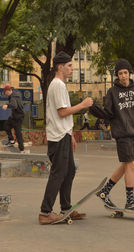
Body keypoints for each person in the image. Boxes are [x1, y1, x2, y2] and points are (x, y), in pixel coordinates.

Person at [39, 51, 93, 224]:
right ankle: (45, 212)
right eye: (69, 66)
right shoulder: (57, 85)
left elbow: (62, 114)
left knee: (69, 171)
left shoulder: (59, 85)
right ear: (60, 67)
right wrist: (83, 105)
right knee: (59, 173)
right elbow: (62, 112)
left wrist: (70, 135)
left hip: (63, 135)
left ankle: (66, 208)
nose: (72, 69)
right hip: (58, 137)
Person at [89, 58, 134, 211]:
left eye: (125, 72)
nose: (123, 76)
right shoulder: (112, 92)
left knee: (126, 165)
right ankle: (130, 201)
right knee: (129, 165)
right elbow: (108, 113)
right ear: (117, 75)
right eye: (120, 73)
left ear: (130, 73)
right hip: (122, 134)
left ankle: (105, 191)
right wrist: (93, 108)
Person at [3, 85, 25, 153]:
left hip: (17, 117)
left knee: (18, 133)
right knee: (6, 125)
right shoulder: (16, 92)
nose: (6, 95)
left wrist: (7, 105)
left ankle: (21, 149)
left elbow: (14, 105)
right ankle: (12, 141)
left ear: (8, 91)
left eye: (6, 93)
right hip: (15, 116)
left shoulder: (12, 97)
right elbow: (12, 88)